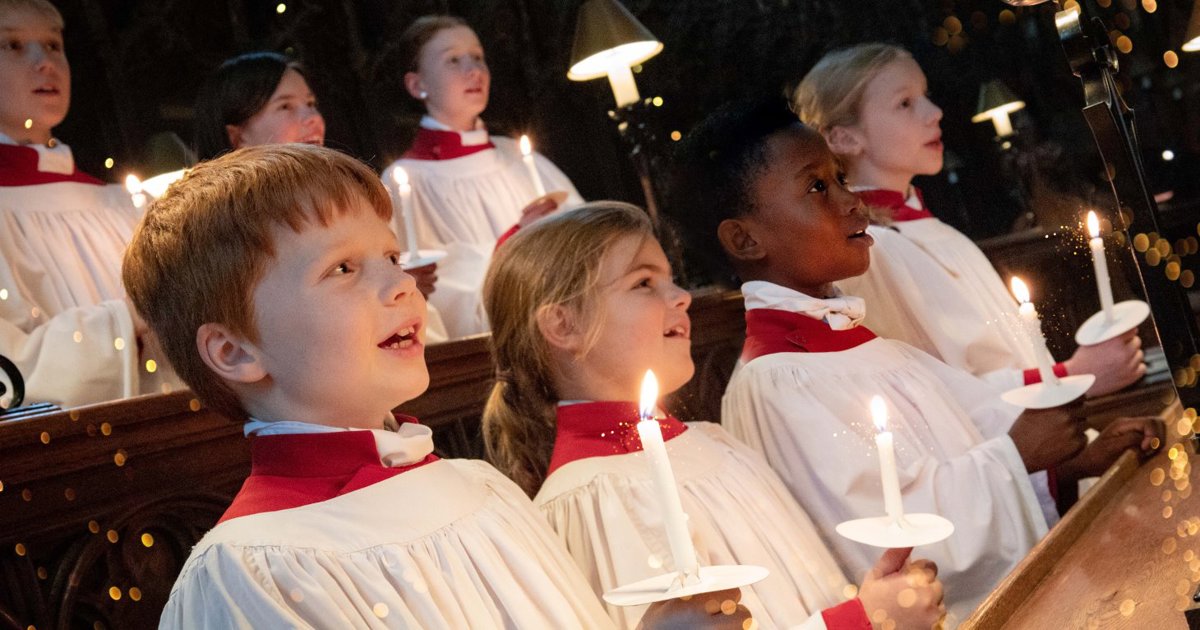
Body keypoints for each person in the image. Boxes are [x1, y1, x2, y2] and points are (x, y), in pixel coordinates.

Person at [125, 143, 747, 628]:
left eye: (392, 258)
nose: (402, 286)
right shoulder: (249, 570)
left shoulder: (478, 488)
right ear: (235, 351)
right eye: (343, 268)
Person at [668, 98, 1161, 623]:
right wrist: (1015, 458)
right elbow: (877, 533)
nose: (850, 201)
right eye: (816, 187)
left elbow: (977, 424)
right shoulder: (778, 384)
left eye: (839, 178)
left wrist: (1068, 465)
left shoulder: (866, 347)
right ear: (744, 238)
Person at [482, 201, 947, 629]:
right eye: (644, 283)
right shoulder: (593, 499)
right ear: (563, 325)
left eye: (670, 278)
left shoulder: (713, 442)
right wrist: (864, 621)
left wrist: (881, 599)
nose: (681, 295)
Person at [792, 43, 1144, 396]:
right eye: (905, 103)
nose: (935, 113)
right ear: (843, 137)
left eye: (925, 96)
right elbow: (937, 387)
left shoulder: (927, 228)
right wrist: (1073, 374)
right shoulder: (871, 250)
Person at [192, 51, 447, 340]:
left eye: (311, 104)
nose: (312, 118)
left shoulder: (345, 201)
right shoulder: (231, 232)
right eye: (286, 107)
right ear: (238, 136)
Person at [0, 0, 175, 407]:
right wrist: (127, 322)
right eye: (12, 45)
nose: (45, 62)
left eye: (53, 45)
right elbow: (12, 374)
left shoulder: (126, 205)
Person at [382, 15, 582, 338]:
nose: (473, 70)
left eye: (477, 57)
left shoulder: (518, 156)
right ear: (417, 85)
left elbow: (588, 238)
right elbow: (439, 300)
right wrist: (516, 243)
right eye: (453, 60)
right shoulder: (405, 183)